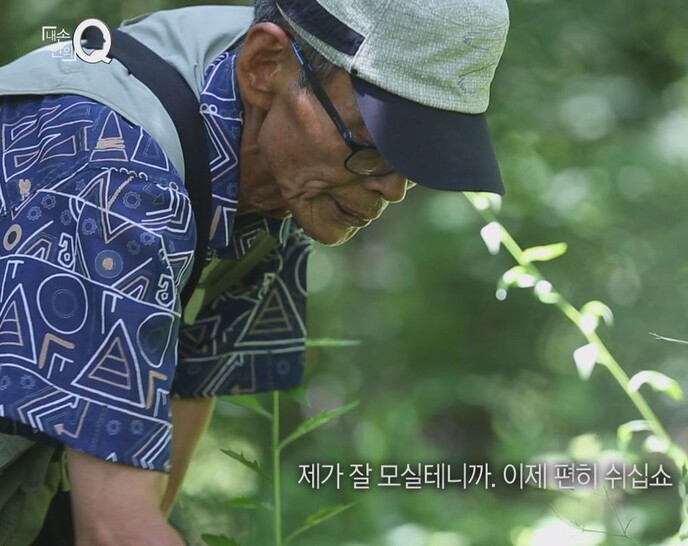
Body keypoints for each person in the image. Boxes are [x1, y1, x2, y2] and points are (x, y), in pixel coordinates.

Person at [0, 0, 509, 543]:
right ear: (265, 66)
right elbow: (113, 530)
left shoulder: (280, 173)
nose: (393, 188)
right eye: (375, 145)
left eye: (416, 162)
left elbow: (182, 403)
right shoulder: (119, 181)